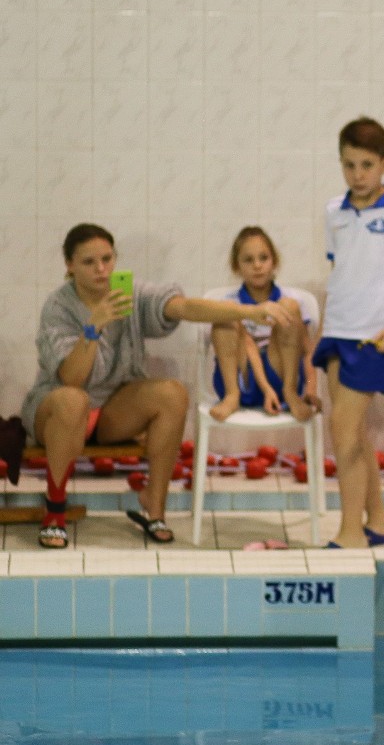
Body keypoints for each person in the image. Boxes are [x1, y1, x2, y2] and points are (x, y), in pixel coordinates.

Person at [20, 223, 299, 549]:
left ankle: (154, 505)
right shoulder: (58, 307)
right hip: (59, 410)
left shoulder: (130, 294)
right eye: (89, 262)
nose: (101, 269)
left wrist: (252, 310)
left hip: (112, 410)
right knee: (73, 401)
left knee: (172, 393)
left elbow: (184, 307)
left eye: (108, 259)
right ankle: (54, 509)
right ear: (69, 265)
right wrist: (93, 326)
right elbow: (72, 379)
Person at [312, 117, 384, 549]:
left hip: (375, 338)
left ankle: (349, 532)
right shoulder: (333, 212)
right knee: (353, 434)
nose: (358, 175)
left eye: (366, 165)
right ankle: (377, 522)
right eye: (349, 165)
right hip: (337, 331)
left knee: (343, 434)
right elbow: (342, 270)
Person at [210, 226, 319, 424]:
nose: (257, 265)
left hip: (279, 374)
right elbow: (246, 345)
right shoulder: (231, 300)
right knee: (225, 311)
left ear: (274, 262)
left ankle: (291, 392)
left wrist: (311, 389)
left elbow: (308, 353)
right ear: (237, 266)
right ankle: (232, 396)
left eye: (263, 258)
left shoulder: (289, 300)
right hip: (240, 377)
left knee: (289, 307)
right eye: (248, 260)